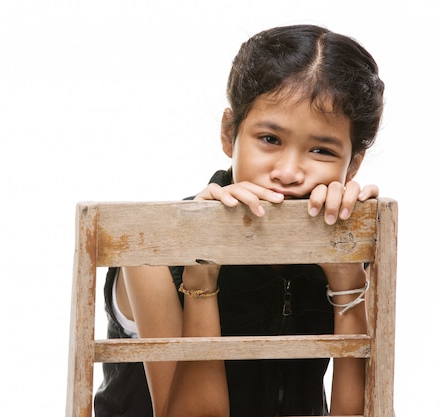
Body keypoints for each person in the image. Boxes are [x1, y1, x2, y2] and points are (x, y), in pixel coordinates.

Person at [94, 24, 384, 417]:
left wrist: (347, 279)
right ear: (230, 132)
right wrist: (202, 272)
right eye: (270, 139)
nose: (289, 171)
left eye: (321, 149)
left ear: (354, 165)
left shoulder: (359, 247)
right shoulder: (152, 251)